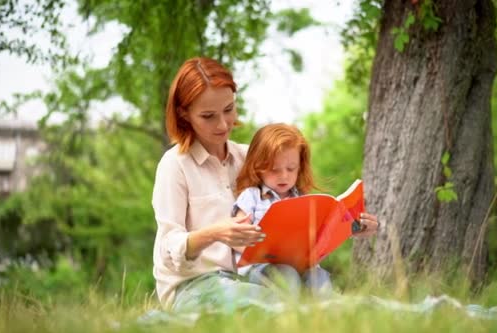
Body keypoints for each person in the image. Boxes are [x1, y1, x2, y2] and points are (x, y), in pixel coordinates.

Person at [151, 56, 379, 312]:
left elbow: (293, 211)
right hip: (195, 285)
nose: (223, 124)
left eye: (228, 109)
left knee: (328, 300)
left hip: (255, 277)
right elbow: (168, 249)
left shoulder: (252, 158)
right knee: (275, 306)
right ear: (184, 114)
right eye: (208, 116)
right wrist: (213, 233)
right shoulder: (175, 165)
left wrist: (348, 224)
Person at [231, 123, 335, 298]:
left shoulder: (303, 198)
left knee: (319, 278)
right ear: (258, 167)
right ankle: (287, 321)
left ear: (300, 167)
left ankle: (327, 317)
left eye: (291, 168)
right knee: (287, 275)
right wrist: (261, 251)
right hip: (262, 267)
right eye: (274, 169)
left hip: (300, 264)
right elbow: (236, 237)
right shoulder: (252, 197)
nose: (284, 176)